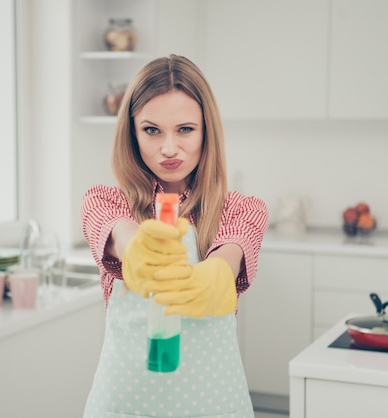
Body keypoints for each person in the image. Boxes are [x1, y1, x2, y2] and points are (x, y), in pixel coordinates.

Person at [80, 54, 269, 418]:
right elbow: (116, 229)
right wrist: (136, 248)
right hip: (124, 407)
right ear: (132, 134)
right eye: (152, 130)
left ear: (206, 131)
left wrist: (214, 277)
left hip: (214, 407)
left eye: (185, 129)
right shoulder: (104, 201)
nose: (169, 148)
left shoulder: (242, 209)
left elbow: (231, 251)